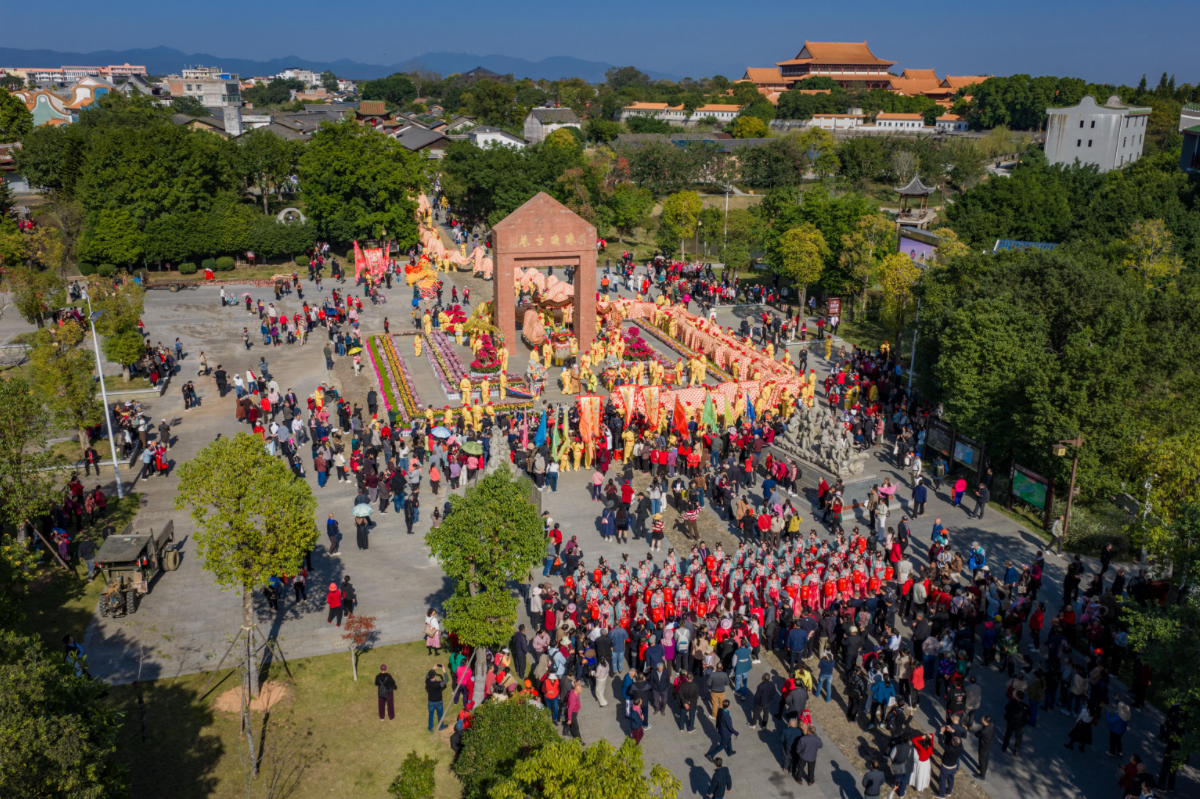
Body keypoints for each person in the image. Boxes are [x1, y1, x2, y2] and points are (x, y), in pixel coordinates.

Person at [1001, 691, 1030, 755]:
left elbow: (1006, 708)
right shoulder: (1025, 706)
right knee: (1018, 737)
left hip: (1011, 722)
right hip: (1020, 725)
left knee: (1007, 734)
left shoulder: (1012, 703)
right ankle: (1017, 750)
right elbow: (1029, 713)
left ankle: (1004, 747)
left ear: (1017, 697)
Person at [426, 664, 448, 731]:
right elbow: (446, 680)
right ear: (435, 676)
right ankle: (441, 726)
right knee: (440, 714)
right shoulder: (439, 684)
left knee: (431, 715)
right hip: (439, 701)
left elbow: (427, 676)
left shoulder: (427, 682)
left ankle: (430, 727)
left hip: (431, 701)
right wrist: (444, 671)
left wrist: (433, 669)